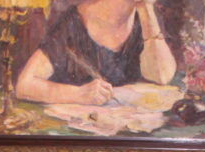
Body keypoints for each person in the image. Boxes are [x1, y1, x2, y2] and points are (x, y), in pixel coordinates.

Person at [15, 0, 176, 105]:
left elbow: (161, 76)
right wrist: (79, 94)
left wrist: (146, 8)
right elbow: (24, 85)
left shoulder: (146, 20)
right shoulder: (75, 21)